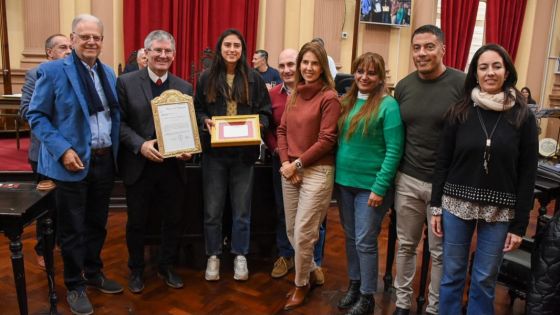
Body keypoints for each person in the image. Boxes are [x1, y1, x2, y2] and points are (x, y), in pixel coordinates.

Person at [430, 43, 538, 315]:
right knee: (452, 274)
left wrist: (519, 224)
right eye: (483, 67)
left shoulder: (523, 116)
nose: (490, 72)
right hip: (455, 205)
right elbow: (442, 162)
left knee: (484, 279)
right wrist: (435, 206)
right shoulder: (460, 111)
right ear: (475, 74)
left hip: (500, 210)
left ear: (507, 71)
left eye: (496, 66)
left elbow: (528, 172)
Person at [27, 14, 123, 315]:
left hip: (104, 160)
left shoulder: (108, 73)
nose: (91, 41)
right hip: (71, 163)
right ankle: (74, 285)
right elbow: (36, 115)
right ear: (72, 39)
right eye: (85, 36)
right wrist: (63, 150)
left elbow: (113, 116)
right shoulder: (53, 71)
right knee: (72, 229)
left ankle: (93, 273)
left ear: (103, 41)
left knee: (97, 224)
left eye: (96, 37)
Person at [392, 24, 465, 315]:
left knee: (439, 254)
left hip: (445, 185)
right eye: (417, 47)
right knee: (406, 246)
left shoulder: (462, 83)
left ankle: (435, 308)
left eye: (429, 47)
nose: (422, 53)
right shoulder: (404, 86)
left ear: (442, 49)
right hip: (408, 180)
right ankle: (401, 304)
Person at [117, 30, 193, 294]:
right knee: (136, 221)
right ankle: (136, 269)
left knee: (173, 219)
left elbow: (189, 128)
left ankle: (166, 266)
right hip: (140, 165)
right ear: (146, 53)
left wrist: (188, 149)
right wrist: (140, 145)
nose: (163, 55)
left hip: (173, 167)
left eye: (167, 51)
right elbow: (120, 124)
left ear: (174, 55)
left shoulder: (184, 87)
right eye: (157, 50)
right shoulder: (125, 83)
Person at [194, 28, 271, 282]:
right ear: (220, 48)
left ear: (243, 50)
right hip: (214, 155)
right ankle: (213, 255)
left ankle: (240, 254)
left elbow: (266, 111)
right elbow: (197, 109)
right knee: (212, 210)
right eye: (227, 45)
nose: (232, 50)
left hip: (244, 156)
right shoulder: (206, 78)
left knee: (241, 209)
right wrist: (205, 121)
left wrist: (258, 124)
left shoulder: (254, 79)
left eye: (236, 45)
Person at [336, 52, 404, 315]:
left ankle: (367, 297)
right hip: (344, 183)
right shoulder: (347, 101)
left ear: (380, 77)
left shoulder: (389, 106)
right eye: (360, 71)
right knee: (351, 238)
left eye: (371, 73)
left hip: (370, 187)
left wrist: (379, 187)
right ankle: (354, 285)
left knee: (365, 241)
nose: (364, 77)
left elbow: (394, 150)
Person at [277, 41, 341, 310]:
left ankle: (300, 284)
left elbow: (327, 140)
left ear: (323, 67)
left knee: (304, 232)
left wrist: (297, 165)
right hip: (290, 170)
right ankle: (313, 269)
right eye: (305, 62)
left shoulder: (329, 97)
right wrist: (284, 163)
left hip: (316, 171)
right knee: (293, 229)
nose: (309, 68)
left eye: (315, 63)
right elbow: (281, 131)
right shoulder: (295, 93)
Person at [265, 48, 326, 283]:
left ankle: (314, 262)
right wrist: (284, 161)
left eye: (291, 64)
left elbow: (323, 136)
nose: (287, 70)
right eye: (281, 66)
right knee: (285, 214)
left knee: (314, 220)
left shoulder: (319, 94)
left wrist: (298, 164)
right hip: (281, 164)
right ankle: (286, 256)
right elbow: (272, 129)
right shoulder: (272, 96)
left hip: (311, 165)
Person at [20, 33, 72, 269]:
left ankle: (61, 241)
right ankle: (43, 248)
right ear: (49, 52)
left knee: (67, 204)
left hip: (72, 152)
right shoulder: (36, 74)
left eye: (70, 47)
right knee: (47, 207)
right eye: (63, 47)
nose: (69, 51)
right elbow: (26, 112)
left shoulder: (75, 74)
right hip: (45, 153)